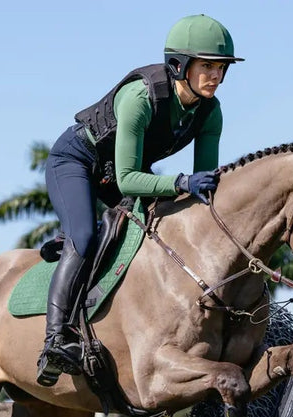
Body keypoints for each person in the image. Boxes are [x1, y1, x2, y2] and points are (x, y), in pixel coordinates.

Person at [36, 14, 243, 386]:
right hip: (78, 162)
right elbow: (129, 179)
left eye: (221, 68)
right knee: (84, 237)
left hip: (120, 174)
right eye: (207, 66)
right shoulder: (141, 97)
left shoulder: (211, 113)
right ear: (179, 65)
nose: (215, 75)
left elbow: (206, 187)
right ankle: (54, 340)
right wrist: (181, 182)